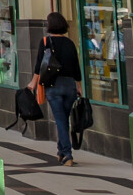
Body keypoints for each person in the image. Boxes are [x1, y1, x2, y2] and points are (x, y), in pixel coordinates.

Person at [32, 12, 83, 166]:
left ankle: (67, 154)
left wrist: (33, 84)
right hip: (69, 86)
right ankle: (61, 151)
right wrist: (79, 86)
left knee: (60, 120)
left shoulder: (46, 41)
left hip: (52, 86)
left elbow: (39, 65)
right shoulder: (69, 43)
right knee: (64, 119)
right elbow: (76, 67)